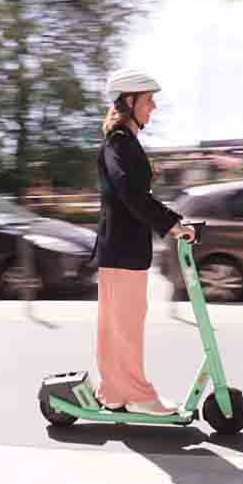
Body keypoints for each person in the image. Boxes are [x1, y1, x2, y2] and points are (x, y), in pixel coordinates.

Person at [89, 67, 196, 415]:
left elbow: (134, 195)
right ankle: (136, 395)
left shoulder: (124, 142)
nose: (153, 107)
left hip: (123, 250)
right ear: (130, 101)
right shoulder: (118, 143)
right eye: (149, 100)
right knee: (125, 327)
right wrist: (172, 224)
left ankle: (115, 392)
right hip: (121, 250)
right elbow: (132, 195)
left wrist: (170, 222)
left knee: (120, 325)